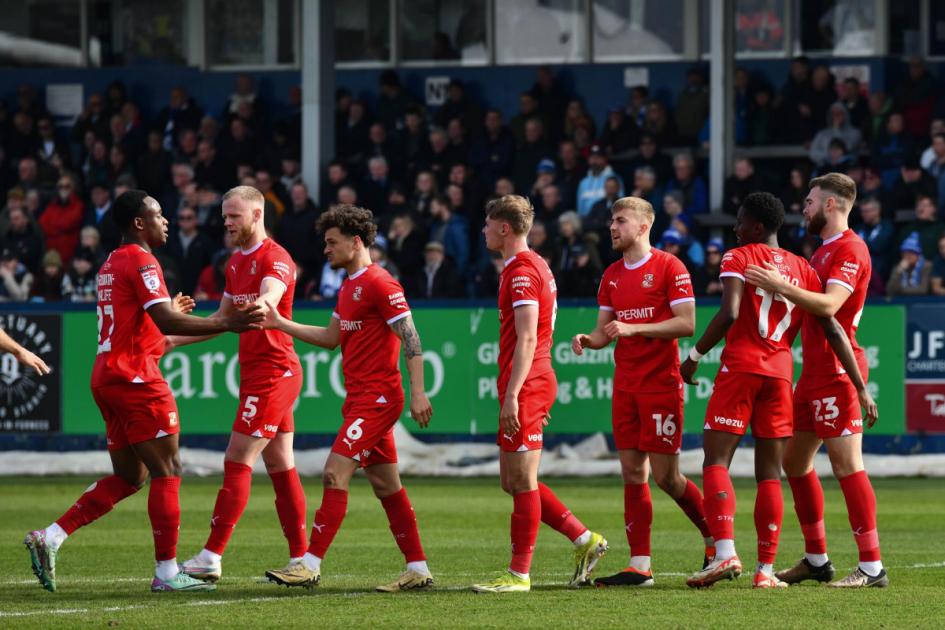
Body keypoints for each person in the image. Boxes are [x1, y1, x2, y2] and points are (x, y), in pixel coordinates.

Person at [23, 190, 262, 593]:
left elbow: (155, 327)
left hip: (108, 378)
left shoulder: (110, 264)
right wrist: (227, 323)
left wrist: (193, 319)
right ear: (139, 222)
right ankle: (168, 574)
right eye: (158, 214)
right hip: (136, 380)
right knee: (168, 471)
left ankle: (52, 536)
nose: (165, 220)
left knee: (131, 476)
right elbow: (165, 319)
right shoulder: (141, 258)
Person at [680, 191, 874, 589]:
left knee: (716, 460)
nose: (734, 228)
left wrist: (695, 354)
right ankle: (767, 570)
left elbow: (730, 312)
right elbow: (829, 324)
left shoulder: (740, 256)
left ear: (757, 226)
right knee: (775, 470)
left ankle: (724, 553)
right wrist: (862, 385)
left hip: (743, 367)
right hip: (783, 373)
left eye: (739, 221)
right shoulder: (806, 266)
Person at [262, 204, 435, 592]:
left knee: (333, 472)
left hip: (378, 399)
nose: (325, 250)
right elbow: (330, 339)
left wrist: (418, 392)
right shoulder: (349, 286)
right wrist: (279, 322)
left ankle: (308, 564)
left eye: (331, 242)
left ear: (355, 242)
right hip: (359, 399)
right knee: (387, 486)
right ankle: (418, 568)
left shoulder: (381, 283)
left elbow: (412, 338)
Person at [744, 173, 886, 588]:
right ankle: (817, 559)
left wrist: (779, 284)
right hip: (813, 373)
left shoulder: (850, 249)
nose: (802, 208)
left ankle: (872, 567)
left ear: (830, 205)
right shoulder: (823, 251)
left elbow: (829, 305)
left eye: (809, 201)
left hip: (839, 373)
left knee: (847, 464)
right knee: (794, 461)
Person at [570, 196, 713, 587]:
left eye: (620, 220)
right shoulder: (612, 275)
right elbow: (604, 331)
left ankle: (714, 539)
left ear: (643, 225)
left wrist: (635, 329)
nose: (612, 228)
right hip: (626, 387)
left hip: (660, 385)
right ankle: (640, 565)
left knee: (667, 477)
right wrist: (589, 339)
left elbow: (686, 324)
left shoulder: (670, 266)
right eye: (610, 222)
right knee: (633, 473)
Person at [471, 195, 607, 594]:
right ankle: (585, 540)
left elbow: (528, 337)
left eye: (487, 223)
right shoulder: (531, 265)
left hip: (527, 381)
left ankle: (518, 574)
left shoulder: (522, 272)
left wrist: (515, 395)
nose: (483, 230)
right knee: (511, 480)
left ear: (504, 228)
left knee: (523, 480)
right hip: (527, 380)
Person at [176, 186, 307, 584]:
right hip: (257, 373)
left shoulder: (276, 257)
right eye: (225, 215)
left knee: (236, 458)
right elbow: (222, 318)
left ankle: (211, 556)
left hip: (274, 373)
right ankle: (303, 558)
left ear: (256, 214)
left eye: (234, 216)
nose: (226, 222)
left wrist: (265, 303)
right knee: (281, 464)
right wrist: (170, 339)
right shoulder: (235, 263)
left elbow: (273, 293)